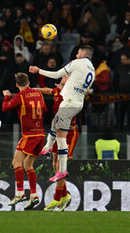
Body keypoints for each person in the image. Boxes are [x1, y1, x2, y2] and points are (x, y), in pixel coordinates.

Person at [29, 45, 95, 182]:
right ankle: (47, 147)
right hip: (77, 103)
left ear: (83, 53)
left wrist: (38, 70)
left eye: (77, 53)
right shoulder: (92, 70)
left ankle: (62, 171)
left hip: (69, 104)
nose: (76, 55)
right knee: (55, 121)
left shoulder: (78, 63)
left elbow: (57, 74)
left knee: (60, 138)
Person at [2, 72, 47, 210]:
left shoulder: (19, 96)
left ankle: (20, 193)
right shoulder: (38, 94)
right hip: (41, 135)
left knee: (16, 162)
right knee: (28, 164)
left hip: (29, 136)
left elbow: (5, 108)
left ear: (16, 85)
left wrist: (6, 96)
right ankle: (34, 195)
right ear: (28, 83)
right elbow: (44, 110)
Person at [34, 75, 76, 211]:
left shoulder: (71, 92)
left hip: (69, 133)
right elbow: (48, 91)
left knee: (60, 165)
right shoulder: (58, 90)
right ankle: (64, 195)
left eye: (67, 75)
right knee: (54, 163)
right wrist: (33, 90)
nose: (64, 75)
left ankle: (57, 199)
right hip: (59, 130)